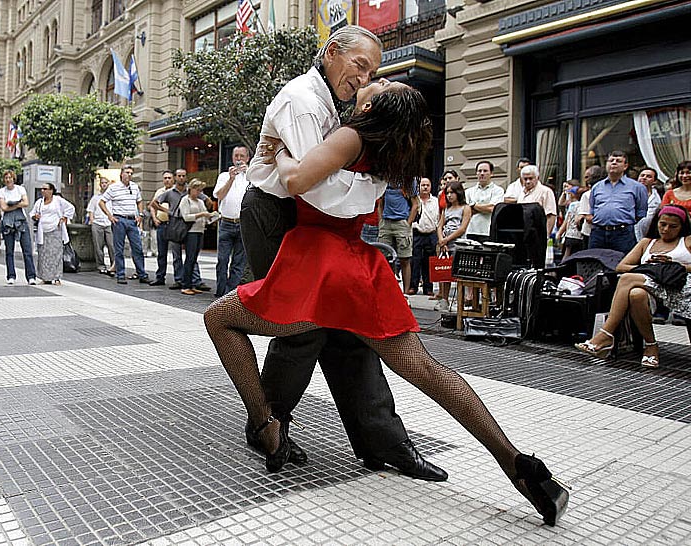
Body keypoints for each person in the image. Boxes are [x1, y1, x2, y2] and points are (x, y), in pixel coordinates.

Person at [205, 80, 569, 527]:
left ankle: (265, 423)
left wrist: (275, 149)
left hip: (318, 267)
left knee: (218, 318)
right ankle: (520, 466)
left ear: (374, 105)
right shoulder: (386, 148)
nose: (369, 81)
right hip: (361, 271)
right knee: (432, 373)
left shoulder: (352, 134)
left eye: (378, 82)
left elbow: (297, 178)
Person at [239, 25, 445, 481]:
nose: (364, 77)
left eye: (373, 71)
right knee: (300, 328)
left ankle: (384, 442)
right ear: (332, 52)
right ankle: (268, 427)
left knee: (348, 332)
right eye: (360, 65)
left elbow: (320, 181)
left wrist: (365, 184)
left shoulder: (338, 103)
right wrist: (367, 187)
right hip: (275, 213)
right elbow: (310, 185)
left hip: (313, 222)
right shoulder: (303, 99)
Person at [575, 205, 691, 368]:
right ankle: (651, 346)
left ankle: (606, 334)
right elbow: (621, 266)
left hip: (679, 289)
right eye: (662, 224)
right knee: (636, 294)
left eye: (673, 226)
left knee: (628, 280)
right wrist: (651, 268)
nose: (665, 229)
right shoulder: (647, 243)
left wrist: (673, 265)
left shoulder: (686, 241)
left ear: (682, 227)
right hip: (649, 284)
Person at [97, 165, 150, 285]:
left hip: (132, 220)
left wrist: (140, 214)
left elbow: (139, 201)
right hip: (119, 220)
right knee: (119, 249)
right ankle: (120, 274)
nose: (129, 175)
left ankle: (142, 273)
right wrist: (110, 216)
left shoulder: (134, 187)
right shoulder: (114, 187)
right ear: (121, 174)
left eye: (131, 173)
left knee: (137, 248)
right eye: (127, 172)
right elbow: (102, 202)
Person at [587, 151, 648, 254]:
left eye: (618, 161)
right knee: (594, 263)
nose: (614, 163)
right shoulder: (597, 187)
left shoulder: (637, 187)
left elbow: (640, 212)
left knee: (621, 264)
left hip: (623, 234)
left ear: (625, 166)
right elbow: (592, 210)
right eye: (611, 160)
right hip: (598, 233)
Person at [213, 147, 250, 297]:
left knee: (238, 263)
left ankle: (230, 295)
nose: (239, 159)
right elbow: (219, 196)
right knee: (222, 260)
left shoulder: (251, 176)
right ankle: (220, 292)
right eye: (236, 156)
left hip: (243, 224)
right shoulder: (223, 176)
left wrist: (249, 172)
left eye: (242, 156)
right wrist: (231, 178)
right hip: (226, 224)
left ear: (247, 158)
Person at [435, 181, 471, 310]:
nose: (449, 195)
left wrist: (447, 239)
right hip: (445, 244)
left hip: (458, 244)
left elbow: (462, 228)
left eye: (452, 193)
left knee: (457, 273)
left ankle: (458, 301)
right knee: (444, 273)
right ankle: (444, 299)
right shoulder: (446, 209)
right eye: (447, 193)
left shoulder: (465, 208)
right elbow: (440, 225)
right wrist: (441, 240)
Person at [378, 181, 419, 294]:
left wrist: (408, 223)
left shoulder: (409, 180)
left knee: (404, 258)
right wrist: (381, 221)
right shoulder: (385, 180)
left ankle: (405, 293)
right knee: (386, 258)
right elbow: (381, 202)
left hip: (401, 222)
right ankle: (390, 291)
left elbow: (415, 204)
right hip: (386, 222)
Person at [30, 183, 75, 285]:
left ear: (51, 190)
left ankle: (57, 277)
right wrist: (35, 216)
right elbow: (32, 213)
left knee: (56, 254)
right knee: (44, 254)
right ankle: (46, 277)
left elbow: (70, 208)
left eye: (45, 189)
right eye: (42, 189)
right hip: (43, 231)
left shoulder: (58, 200)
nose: (43, 191)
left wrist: (64, 217)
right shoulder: (39, 202)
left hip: (55, 229)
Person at [0, 169, 37, 285]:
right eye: (6, 178)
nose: (8, 179)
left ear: (13, 178)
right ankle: (11, 275)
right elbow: (3, 207)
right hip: (8, 222)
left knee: (27, 249)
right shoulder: (1, 191)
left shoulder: (20, 189)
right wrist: (17, 204)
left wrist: (11, 204)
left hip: (21, 221)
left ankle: (31, 276)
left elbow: (26, 203)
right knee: (9, 250)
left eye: (10, 177)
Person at [179, 179, 215, 295]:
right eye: (197, 190)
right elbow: (186, 217)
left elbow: (205, 216)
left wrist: (211, 217)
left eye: (200, 190)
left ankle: (192, 284)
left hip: (200, 231)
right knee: (190, 258)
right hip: (191, 232)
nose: (199, 192)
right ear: (191, 189)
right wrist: (202, 214)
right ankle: (185, 285)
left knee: (194, 259)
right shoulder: (185, 200)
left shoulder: (200, 202)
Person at [409, 177, 439, 296]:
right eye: (423, 185)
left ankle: (428, 287)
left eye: (427, 185)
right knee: (415, 261)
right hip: (417, 233)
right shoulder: (414, 201)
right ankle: (413, 286)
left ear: (431, 187)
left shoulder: (436, 201)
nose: (425, 187)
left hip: (431, 234)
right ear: (418, 187)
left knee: (429, 262)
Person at [465, 160, 504, 244]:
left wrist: (473, 205)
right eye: (479, 171)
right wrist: (484, 208)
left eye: (485, 171)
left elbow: (492, 209)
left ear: (491, 173)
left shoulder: (498, 191)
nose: (482, 173)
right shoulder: (468, 191)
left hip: (487, 231)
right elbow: (466, 211)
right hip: (470, 230)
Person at [147, 171, 175, 286]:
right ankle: (160, 277)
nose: (167, 180)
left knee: (176, 253)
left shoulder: (176, 191)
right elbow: (152, 205)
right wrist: (154, 218)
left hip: (174, 225)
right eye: (165, 178)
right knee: (161, 253)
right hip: (162, 224)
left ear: (173, 179)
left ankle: (179, 279)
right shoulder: (159, 191)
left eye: (169, 178)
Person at [87, 177, 116, 276]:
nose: (104, 184)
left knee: (112, 246)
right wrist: (92, 221)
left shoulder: (112, 198)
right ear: (100, 185)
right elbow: (91, 210)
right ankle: (101, 266)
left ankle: (114, 265)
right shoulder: (95, 198)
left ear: (108, 184)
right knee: (98, 246)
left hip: (109, 223)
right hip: (98, 223)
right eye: (102, 183)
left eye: (105, 183)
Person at [517, 165, 557, 236]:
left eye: (530, 178)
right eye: (525, 179)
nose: (528, 181)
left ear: (537, 178)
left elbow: (551, 215)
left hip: (538, 233)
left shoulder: (546, 191)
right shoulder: (521, 192)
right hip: (523, 232)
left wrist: (546, 236)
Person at [555, 187, 583, 259]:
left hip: (571, 234)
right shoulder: (583, 205)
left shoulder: (573, 205)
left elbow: (567, 220)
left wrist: (560, 233)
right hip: (580, 236)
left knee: (566, 256)